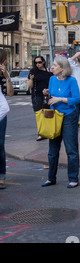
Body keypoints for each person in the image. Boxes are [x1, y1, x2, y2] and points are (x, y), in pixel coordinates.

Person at [41, 56, 80, 189]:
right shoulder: (52, 79)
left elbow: (75, 99)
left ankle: (73, 178)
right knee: (52, 150)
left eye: (55, 65)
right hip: (54, 117)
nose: (51, 67)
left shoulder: (72, 81)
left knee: (71, 149)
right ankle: (51, 178)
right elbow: (51, 97)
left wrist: (60, 99)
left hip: (69, 116)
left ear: (62, 68)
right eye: (52, 65)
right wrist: (46, 93)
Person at [28, 56, 53, 141]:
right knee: (39, 115)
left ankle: (48, 132)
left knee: (48, 114)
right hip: (37, 96)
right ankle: (41, 133)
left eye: (39, 62)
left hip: (47, 95)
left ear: (43, 62)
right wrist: (31, 79)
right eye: (36, 63)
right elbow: (30, 86)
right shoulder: (33, 72)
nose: (37, 64)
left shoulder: (48, 72)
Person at [0, 49, 14, 190]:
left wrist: (6, 75)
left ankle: (1, 175)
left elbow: (10, 93)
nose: (7, 62)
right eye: (5, 59)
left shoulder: (3, 75)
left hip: (1, 113)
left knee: (0, 144)